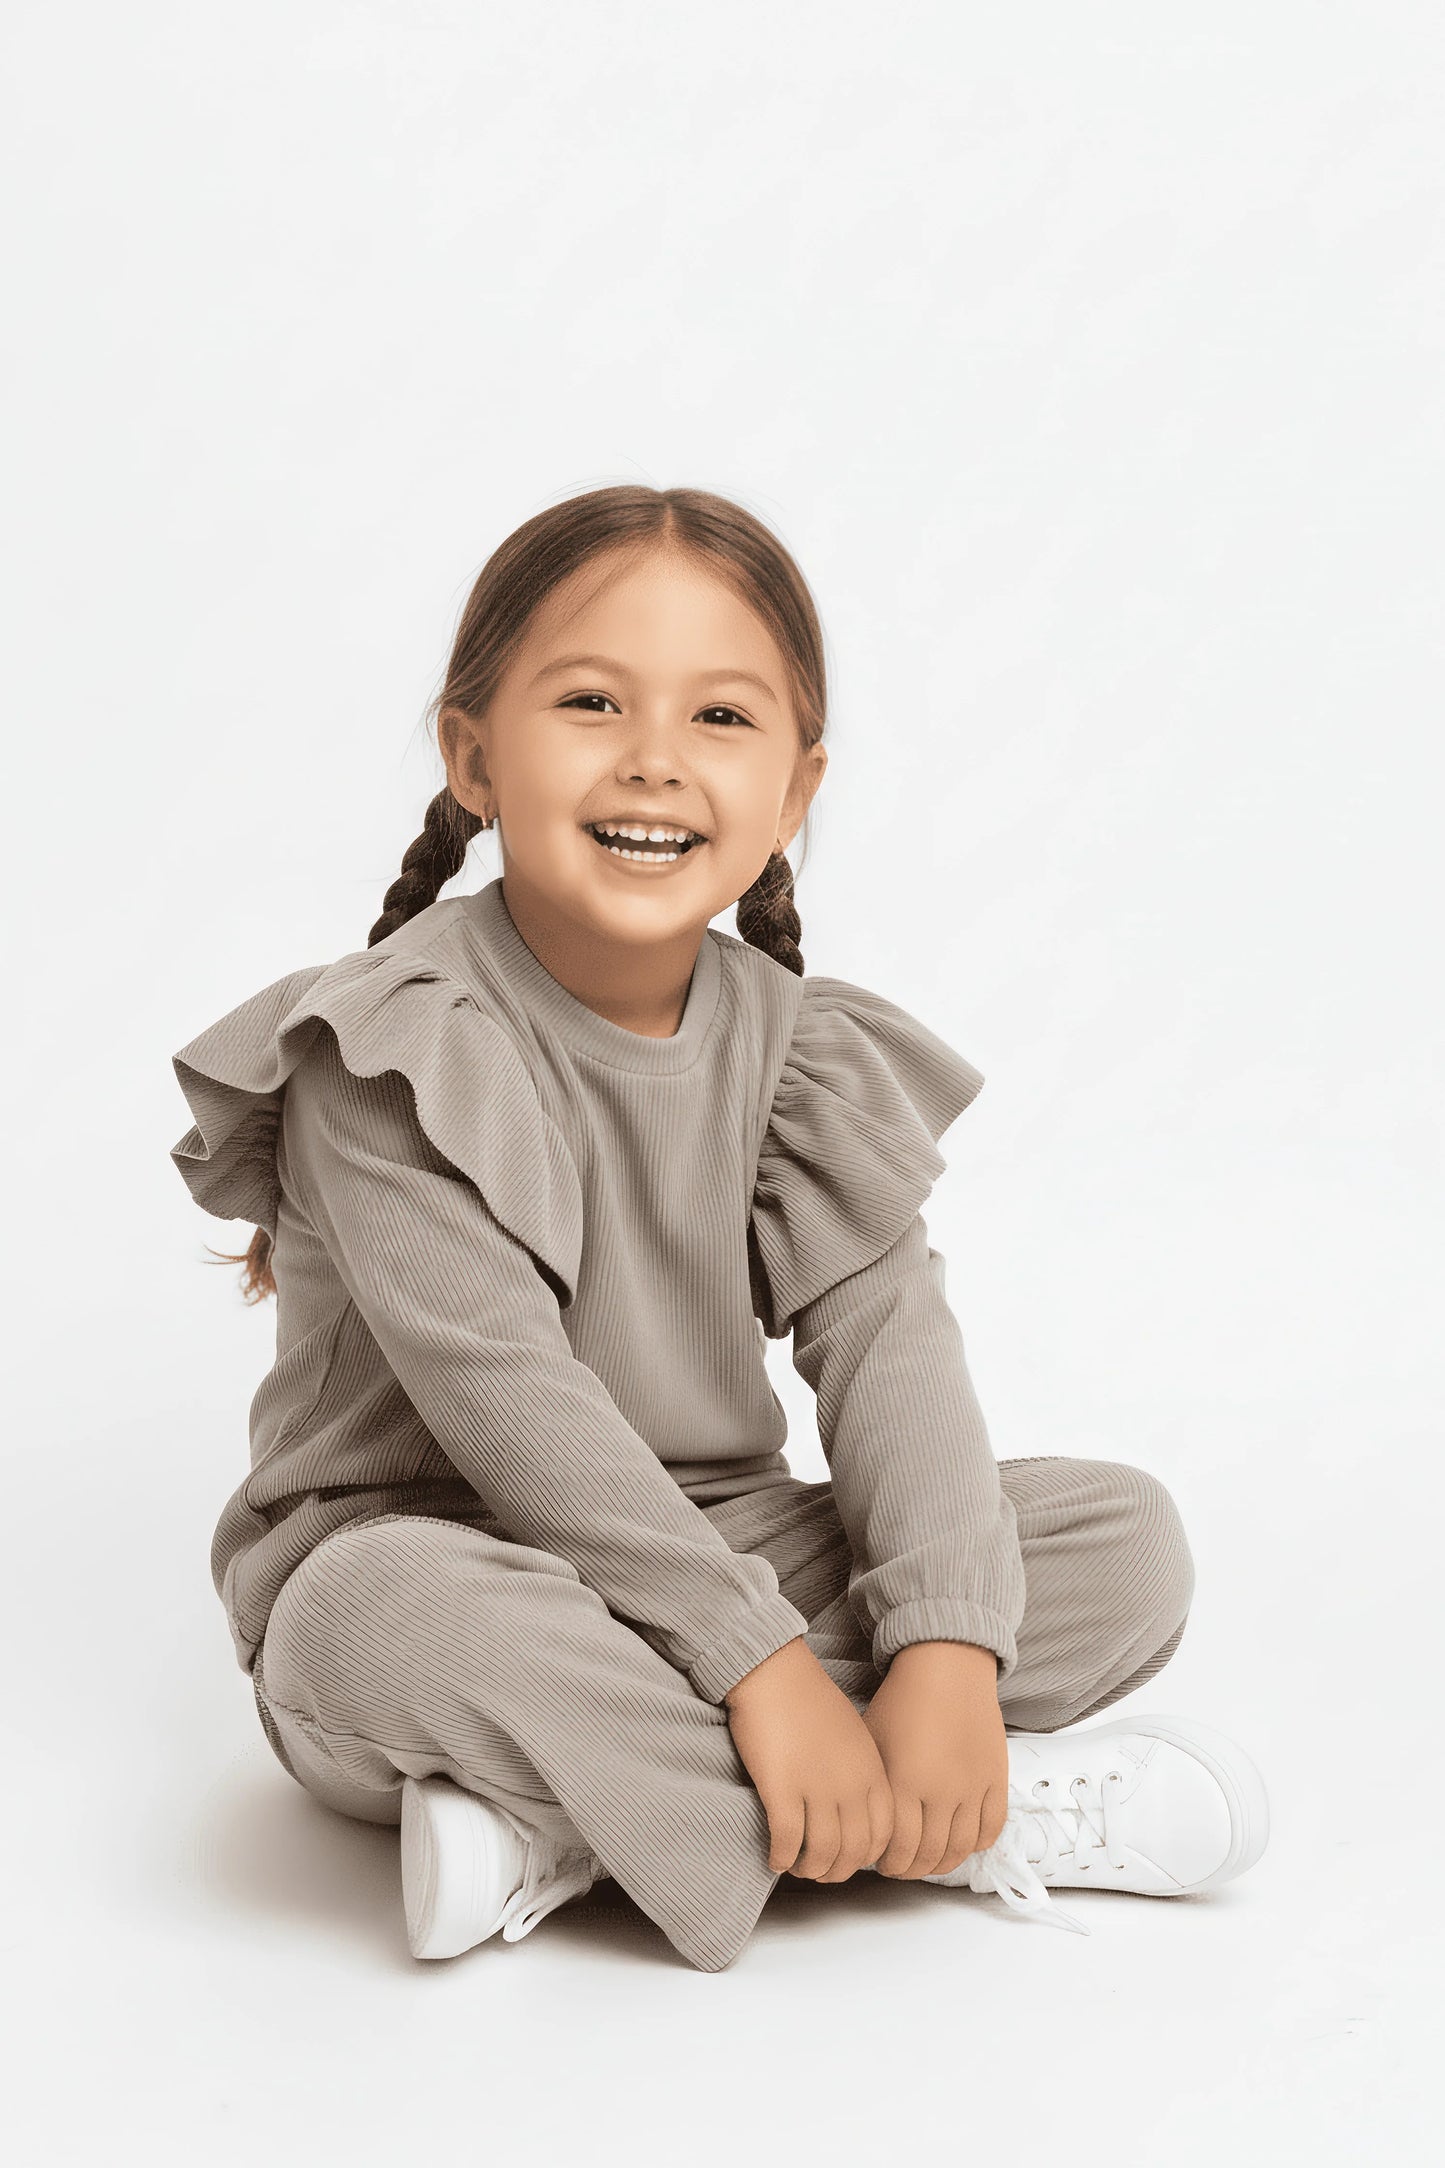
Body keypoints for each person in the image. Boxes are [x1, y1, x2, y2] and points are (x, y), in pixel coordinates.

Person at [168, 483, 1269, 1974]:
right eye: (590, 701)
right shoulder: (391, 1047)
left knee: (1119, 1539)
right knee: (372, 1616)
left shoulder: (797, 1047)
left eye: (721, 721)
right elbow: (511, 1406)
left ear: (796, 792)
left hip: (707, 1541)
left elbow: (890, 1350)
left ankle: (572, 1824)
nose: (653, 762)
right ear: (472, 754)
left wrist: (942, 1653)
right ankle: (950, 1822)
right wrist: (761, 1672)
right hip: (439, 1549)